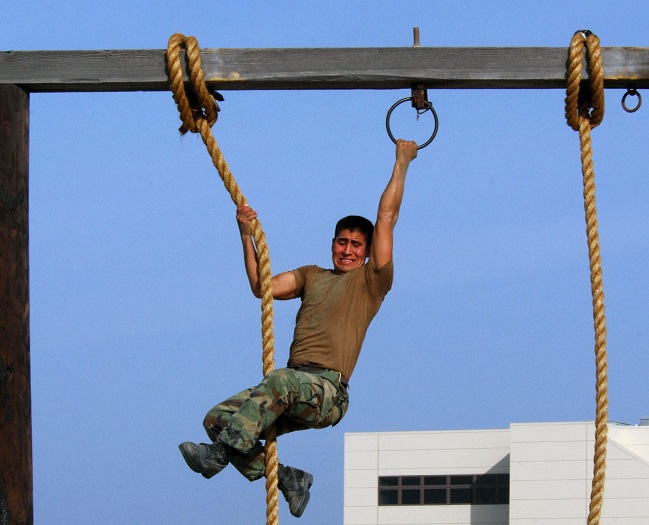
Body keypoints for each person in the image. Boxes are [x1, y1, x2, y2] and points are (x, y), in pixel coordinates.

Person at [179, 139, 418, 517]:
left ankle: (219, 457)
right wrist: (245, 235)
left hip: (326, 392)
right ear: (332, 243)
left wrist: (402, 162)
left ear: (368, 252)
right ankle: (289, 478)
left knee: (279, 381)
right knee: (217, 419)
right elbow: (262, 288)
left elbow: (386, 217)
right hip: (291, 389)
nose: (348, 250)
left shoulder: (372, 281)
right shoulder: (311, 275)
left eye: (357, 244)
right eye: (343, 241)